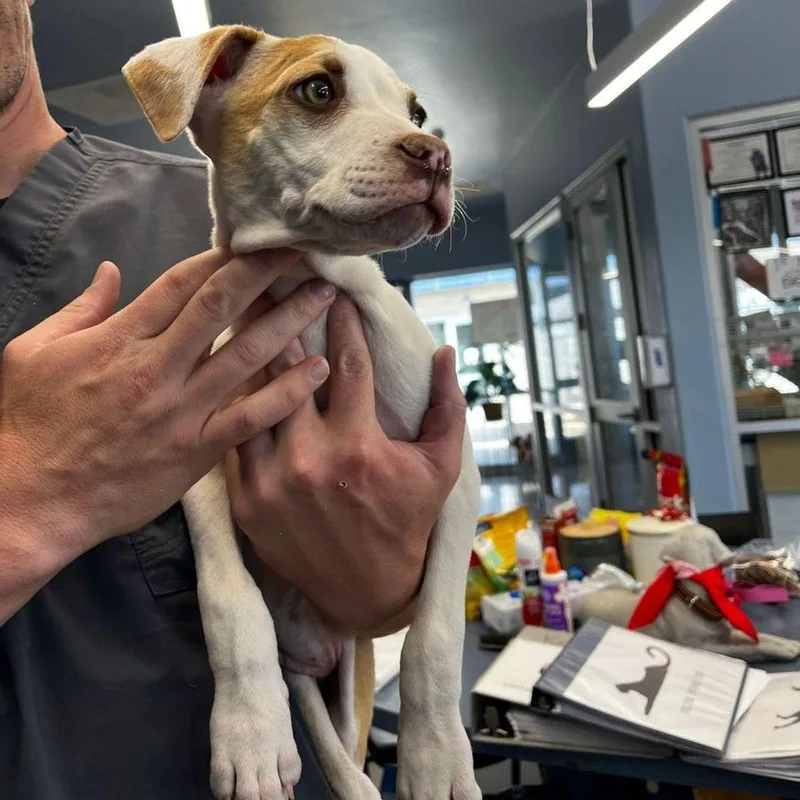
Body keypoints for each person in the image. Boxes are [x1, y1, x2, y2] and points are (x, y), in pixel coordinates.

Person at [0, 1, 468, 797]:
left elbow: (380, 585)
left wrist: (383, 582)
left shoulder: (258, 232)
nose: (424, 143)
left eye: (415, 113)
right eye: (320, 94)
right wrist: (28, 500)